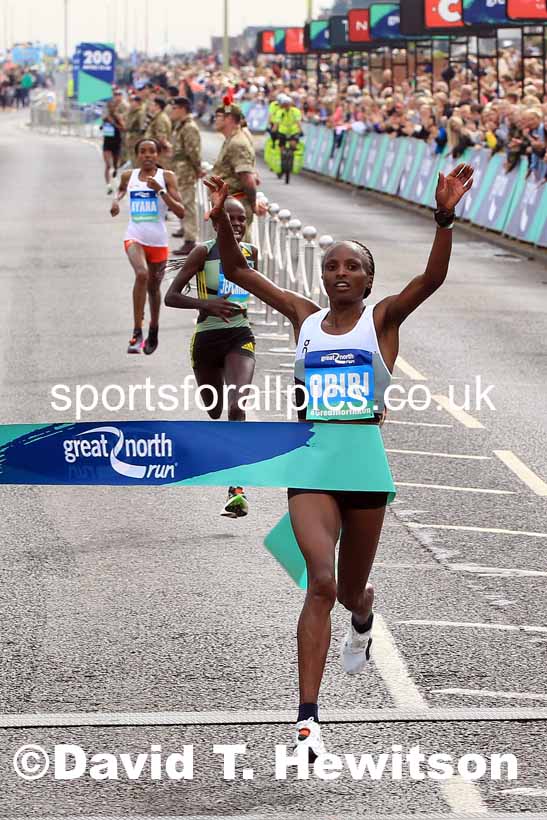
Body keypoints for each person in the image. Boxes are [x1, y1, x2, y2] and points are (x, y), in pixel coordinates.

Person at [205, 164, 474, 759]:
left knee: (351, 589)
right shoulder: (304, 318)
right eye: (332, 265)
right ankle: (307, 723)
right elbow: (237, 271)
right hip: (311, 456)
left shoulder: (384, 321)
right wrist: (225, 218)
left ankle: (365, 610)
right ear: (321, 276)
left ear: (369, 278)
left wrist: (445, 217)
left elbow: (432, 277)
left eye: (353, 266)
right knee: (319, 582)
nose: (341, 273)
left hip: (364, 460)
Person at [164, 195, 258, 517]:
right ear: (216, 223)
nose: (237, 225)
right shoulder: (202, 251)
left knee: (236, 406)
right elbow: (171, 297)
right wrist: (207, 304)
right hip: (206, 339)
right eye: (229, 219)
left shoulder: (250, 254)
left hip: (240, 335)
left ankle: (237, 489)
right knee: (216, 411)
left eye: (242, 219)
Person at [110, 138, 185, 354]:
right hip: (134, 236)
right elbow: (122, 190)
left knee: (154, 288)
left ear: (158, 155)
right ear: (137, 155)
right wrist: (116, 201)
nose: (147, 155)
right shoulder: (129, 175)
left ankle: (154, 327)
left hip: (158, 241)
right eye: (142, 151)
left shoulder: (166, 177)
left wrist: (160, 191)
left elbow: (181, 211)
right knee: (141, 274)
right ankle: (136, 332)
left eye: (152, 151)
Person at [211, 102, 260, 242]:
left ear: (229, 118)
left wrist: (253, 204)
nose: (215, 119)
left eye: (219, 116)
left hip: (236, 207)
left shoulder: (237, 143)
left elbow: (247, 178)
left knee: (239, 250)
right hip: (229, 204)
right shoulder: (231, 139)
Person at [170, 97, 203, 257]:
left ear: (183, 108)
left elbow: (193, 151)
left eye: (174, 108)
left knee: (188, 204)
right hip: (180, 169)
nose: (172, 110)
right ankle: (186, 231)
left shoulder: (189, 127)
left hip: (186, 170)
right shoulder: (181, 126)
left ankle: (190, 240)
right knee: (182, 202)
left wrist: (198, 168)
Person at [102, 99, 125, 195]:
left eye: (113, 107)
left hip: (116, 143)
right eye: (109, 107)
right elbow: (102, 127)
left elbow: (123, 128)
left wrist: (114, 124)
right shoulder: (105, 117)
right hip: (107, 143)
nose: (111, 109)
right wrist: (104, 125)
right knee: (108, 165)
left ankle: (115, 173)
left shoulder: (118, 117)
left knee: (115, 166)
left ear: (115, 107)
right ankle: (108, 186)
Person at [145, 96, 173, 167]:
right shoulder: (158, 117)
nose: (150, 106)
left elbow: (161, 138)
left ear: (157, 106)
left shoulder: (160, 119)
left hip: (159, 155)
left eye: (152, 105)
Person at [124, 95, 147, 166]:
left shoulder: (140, 113)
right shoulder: (131, 112)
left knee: (136, 159)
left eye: (133, 102)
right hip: (131, 139)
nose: (131, 103)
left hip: (136, 138)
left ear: (138, 103)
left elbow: (142, 128)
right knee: (132, 158)